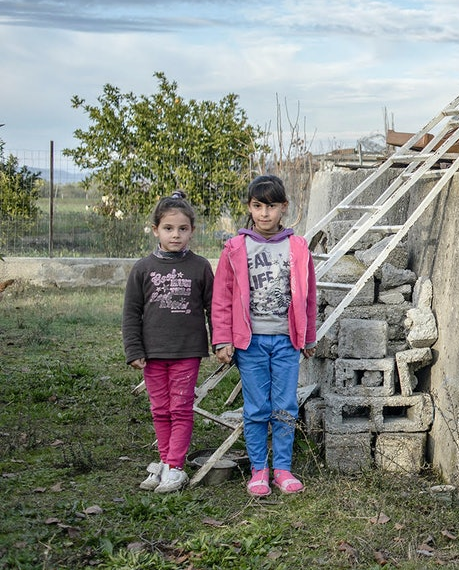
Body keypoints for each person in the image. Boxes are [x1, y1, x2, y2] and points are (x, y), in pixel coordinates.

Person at [212, 175, 317, 497]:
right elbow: (222, 297)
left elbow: (309, 296)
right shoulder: (235, 248)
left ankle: (282, 469)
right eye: (258, 206)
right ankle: (259, 469)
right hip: (250, 342)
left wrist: (308, 337)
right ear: (250, 208)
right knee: (257, 407)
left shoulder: (297, 247)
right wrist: (222, 339)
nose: (264, 214)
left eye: (271, 206)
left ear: (284, 208)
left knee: (285, 405)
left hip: (286, 341)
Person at [123, 190, 214, 494]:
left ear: (192, 231)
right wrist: (133, 349)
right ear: (155, 230)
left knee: (181, 408)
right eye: (169, 228)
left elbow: (214, 308)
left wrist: (221, 342)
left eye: (183, 229)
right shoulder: (142, 269)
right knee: (160, 409)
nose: (176, 235)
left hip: (187, 351)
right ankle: (165, 461)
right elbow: (132, 312)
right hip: (152, 353)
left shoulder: (201, 267)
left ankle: (176, 467)